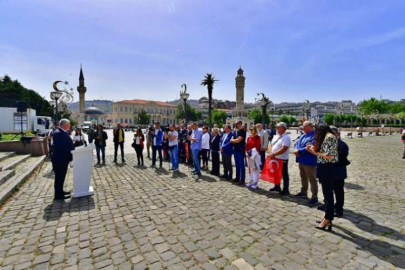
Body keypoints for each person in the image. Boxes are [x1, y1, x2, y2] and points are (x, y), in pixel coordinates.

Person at [306, 124, 339, 231]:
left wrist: (315, 152)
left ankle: (328, 219)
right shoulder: (326, 137)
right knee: (326, 193)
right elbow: (322, 154)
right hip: (323, 166)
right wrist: (312, 150)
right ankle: (326, 216)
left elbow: (330, 156)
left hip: (328, 167)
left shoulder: (330, 137)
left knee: (328, 193)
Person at [293, 121, 319, 205]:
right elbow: (297, 143)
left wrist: (299, 151)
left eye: (304, 126)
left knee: (312, 179)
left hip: (309, 160)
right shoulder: (303, 135)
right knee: (303, 176)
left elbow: (310, 147)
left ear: (310, 127)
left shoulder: (314, 136)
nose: (302, 128)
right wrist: (296, 149)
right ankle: (303, 192)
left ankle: (314, 197)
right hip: (301, 159)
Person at [51, 119, 74, 200]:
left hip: (62, 158)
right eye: (69, 124)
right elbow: (61, 146)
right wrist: (71, 151)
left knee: (61, 177)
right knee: (59, 177)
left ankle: (60, 191)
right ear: (64, 125)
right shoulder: (59, 133)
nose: (70, 126)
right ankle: (58, 195)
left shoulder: (61, 132)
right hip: (59, 159)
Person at [330, 125, 350, 217]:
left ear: (337, 134)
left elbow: (339, 158)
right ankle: (328, 206)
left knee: (338, 191)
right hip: (327, 171)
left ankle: (339, 209)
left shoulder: (342, 145)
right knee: (328, 191)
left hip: (338, 172)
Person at [268, 122, 291, 195]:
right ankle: (277, 186)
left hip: (282, 158)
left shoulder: (286, 137)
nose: (277, 128)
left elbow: (284, 148)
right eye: (276, 127)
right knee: (276, 173)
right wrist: (271, 152)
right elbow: (271, 145)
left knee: (284, 174)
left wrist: (274, 154)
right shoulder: (276, 136)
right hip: (274, 158)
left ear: (283, 128)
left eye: (278, 127)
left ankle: (286, 189)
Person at [230, 121, 247, 185]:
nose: (235, 125)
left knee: (241, 165)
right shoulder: (235, 131)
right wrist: (234, 140)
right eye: (235, 124)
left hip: (240, 150)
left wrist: (233, 140)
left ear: (240, 124)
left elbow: (238, 140)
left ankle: (242, 179)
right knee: (237, 165)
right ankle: (237, 177)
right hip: (235, 150)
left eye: (236, 124)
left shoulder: (243, 132)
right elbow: (231, 139)